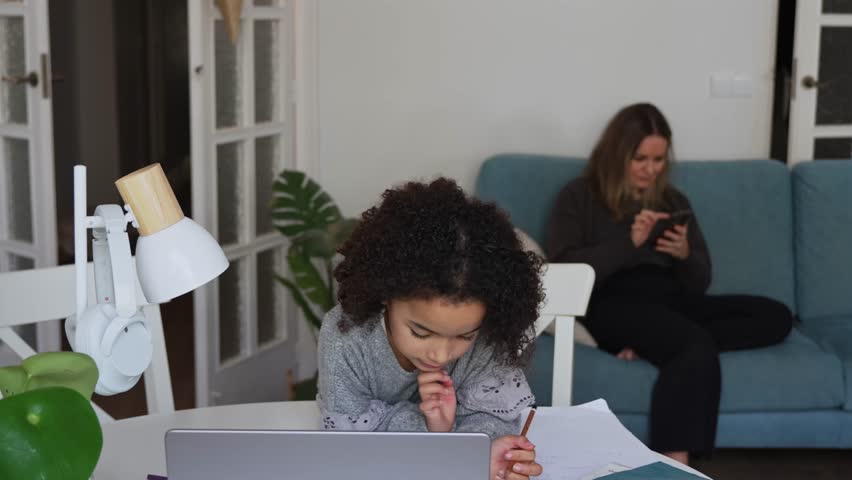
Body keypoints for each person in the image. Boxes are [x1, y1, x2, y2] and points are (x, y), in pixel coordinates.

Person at [546, 103, 793, 464]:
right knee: (694, 347)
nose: (650, 169)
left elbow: (699, 284)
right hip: (612, 302)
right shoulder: (579, 196)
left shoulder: (673, 200)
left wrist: (685, 254)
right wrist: (627, 243)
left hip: (670, 301)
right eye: (640, 158)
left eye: (659, 160)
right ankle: (672, 465)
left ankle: (657, 344)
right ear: (617, 154)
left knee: (776, 316)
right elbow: (566, 271)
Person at [318, 177, 545, 480]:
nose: (440, 354)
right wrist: (434, 430)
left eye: (465, 336)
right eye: (421, 333)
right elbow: (350, 441)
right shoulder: (345, 338)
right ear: (386, 295)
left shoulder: (486, 338)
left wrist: (488, 454)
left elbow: (494, 419)